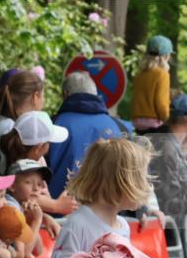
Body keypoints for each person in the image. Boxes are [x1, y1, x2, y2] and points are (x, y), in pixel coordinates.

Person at [48, 71, 128, 199]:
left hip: (59, 212)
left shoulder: (52, 125)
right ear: (95, 94)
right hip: (108, 211)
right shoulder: (119, 128)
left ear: (65, 94)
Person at [131, 35, 172, 134]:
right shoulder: (162, 74)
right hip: (155, 124)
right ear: (166, 56)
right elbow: (161, 102)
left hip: (138, 124)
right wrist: (167, 119)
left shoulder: (140, 74)